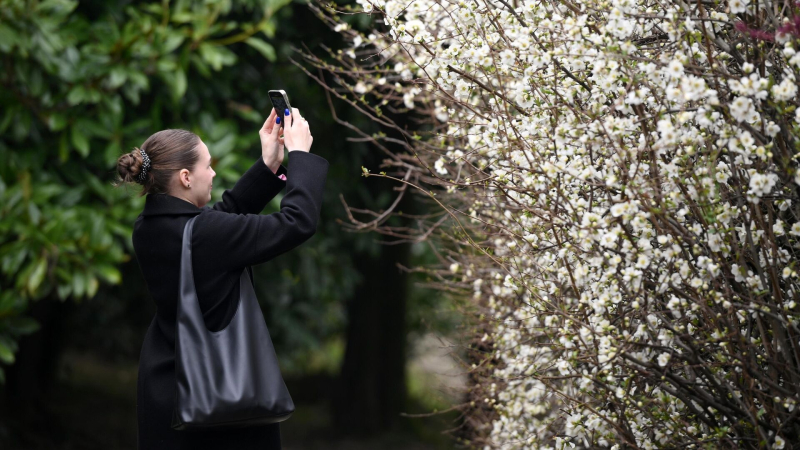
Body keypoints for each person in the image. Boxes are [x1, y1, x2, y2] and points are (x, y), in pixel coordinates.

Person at [115, 107, 328, 449]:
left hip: (167, 389)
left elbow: (219, 220)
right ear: (186, 177)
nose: (213, 173)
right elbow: (295, 222)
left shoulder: (148, 227)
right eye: (208, 165)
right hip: (222, 400)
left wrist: (269, 165)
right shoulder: (206, 235)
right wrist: (300, 155)